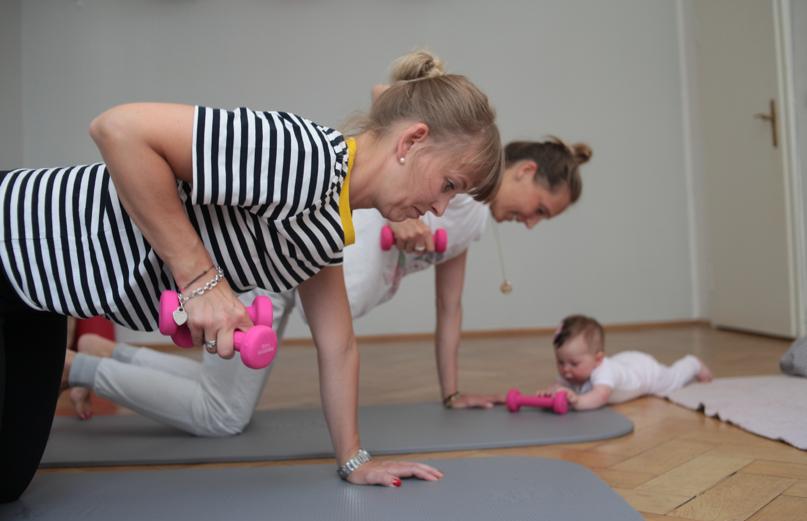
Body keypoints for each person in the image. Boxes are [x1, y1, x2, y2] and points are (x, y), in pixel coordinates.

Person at [0, 50, 504, 502]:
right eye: (448, 185)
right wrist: (200, 279)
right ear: (413, 140)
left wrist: (355, 461)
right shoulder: (303, 157)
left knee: (9, 481)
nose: (439, 209)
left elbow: (339, 346)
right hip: (13, 240)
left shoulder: (328, 227)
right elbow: (118, 128)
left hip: (42, 300)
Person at [65, 134, 592, 436]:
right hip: (273, 265)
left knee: (221, 399)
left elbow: (449, 310)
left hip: (299, 283)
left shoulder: (471, 221)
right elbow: (393, 99)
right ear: (524, 171)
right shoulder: (461, 183)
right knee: (221, 415)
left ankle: (104, 352)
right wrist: (405, 218)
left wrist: (451, 393)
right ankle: (75, 367)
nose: (530, 224)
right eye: (540, 211)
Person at [540, 314, 713, 410]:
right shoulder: (571, 371)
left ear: (598, 359)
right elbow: (559, 385)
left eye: (573, 364)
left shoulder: (604, 372)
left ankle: (693, 363)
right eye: (560, 362)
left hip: (646, 372)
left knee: (673, 380)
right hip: (625, 362)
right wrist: (550, 393)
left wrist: (578, 401)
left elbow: (601, 396)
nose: (565, 370)